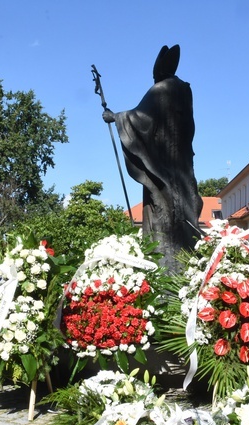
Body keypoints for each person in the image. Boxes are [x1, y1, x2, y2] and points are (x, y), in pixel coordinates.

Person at [102, 44, 203, 272]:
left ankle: (163, 270)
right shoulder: (184, 91)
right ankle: (185, 267)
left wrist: (115, 117)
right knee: (182, 214)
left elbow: (141, 118)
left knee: (161, 215)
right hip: (182, 169)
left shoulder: (161, 90)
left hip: (162, 168)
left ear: (158, 71)